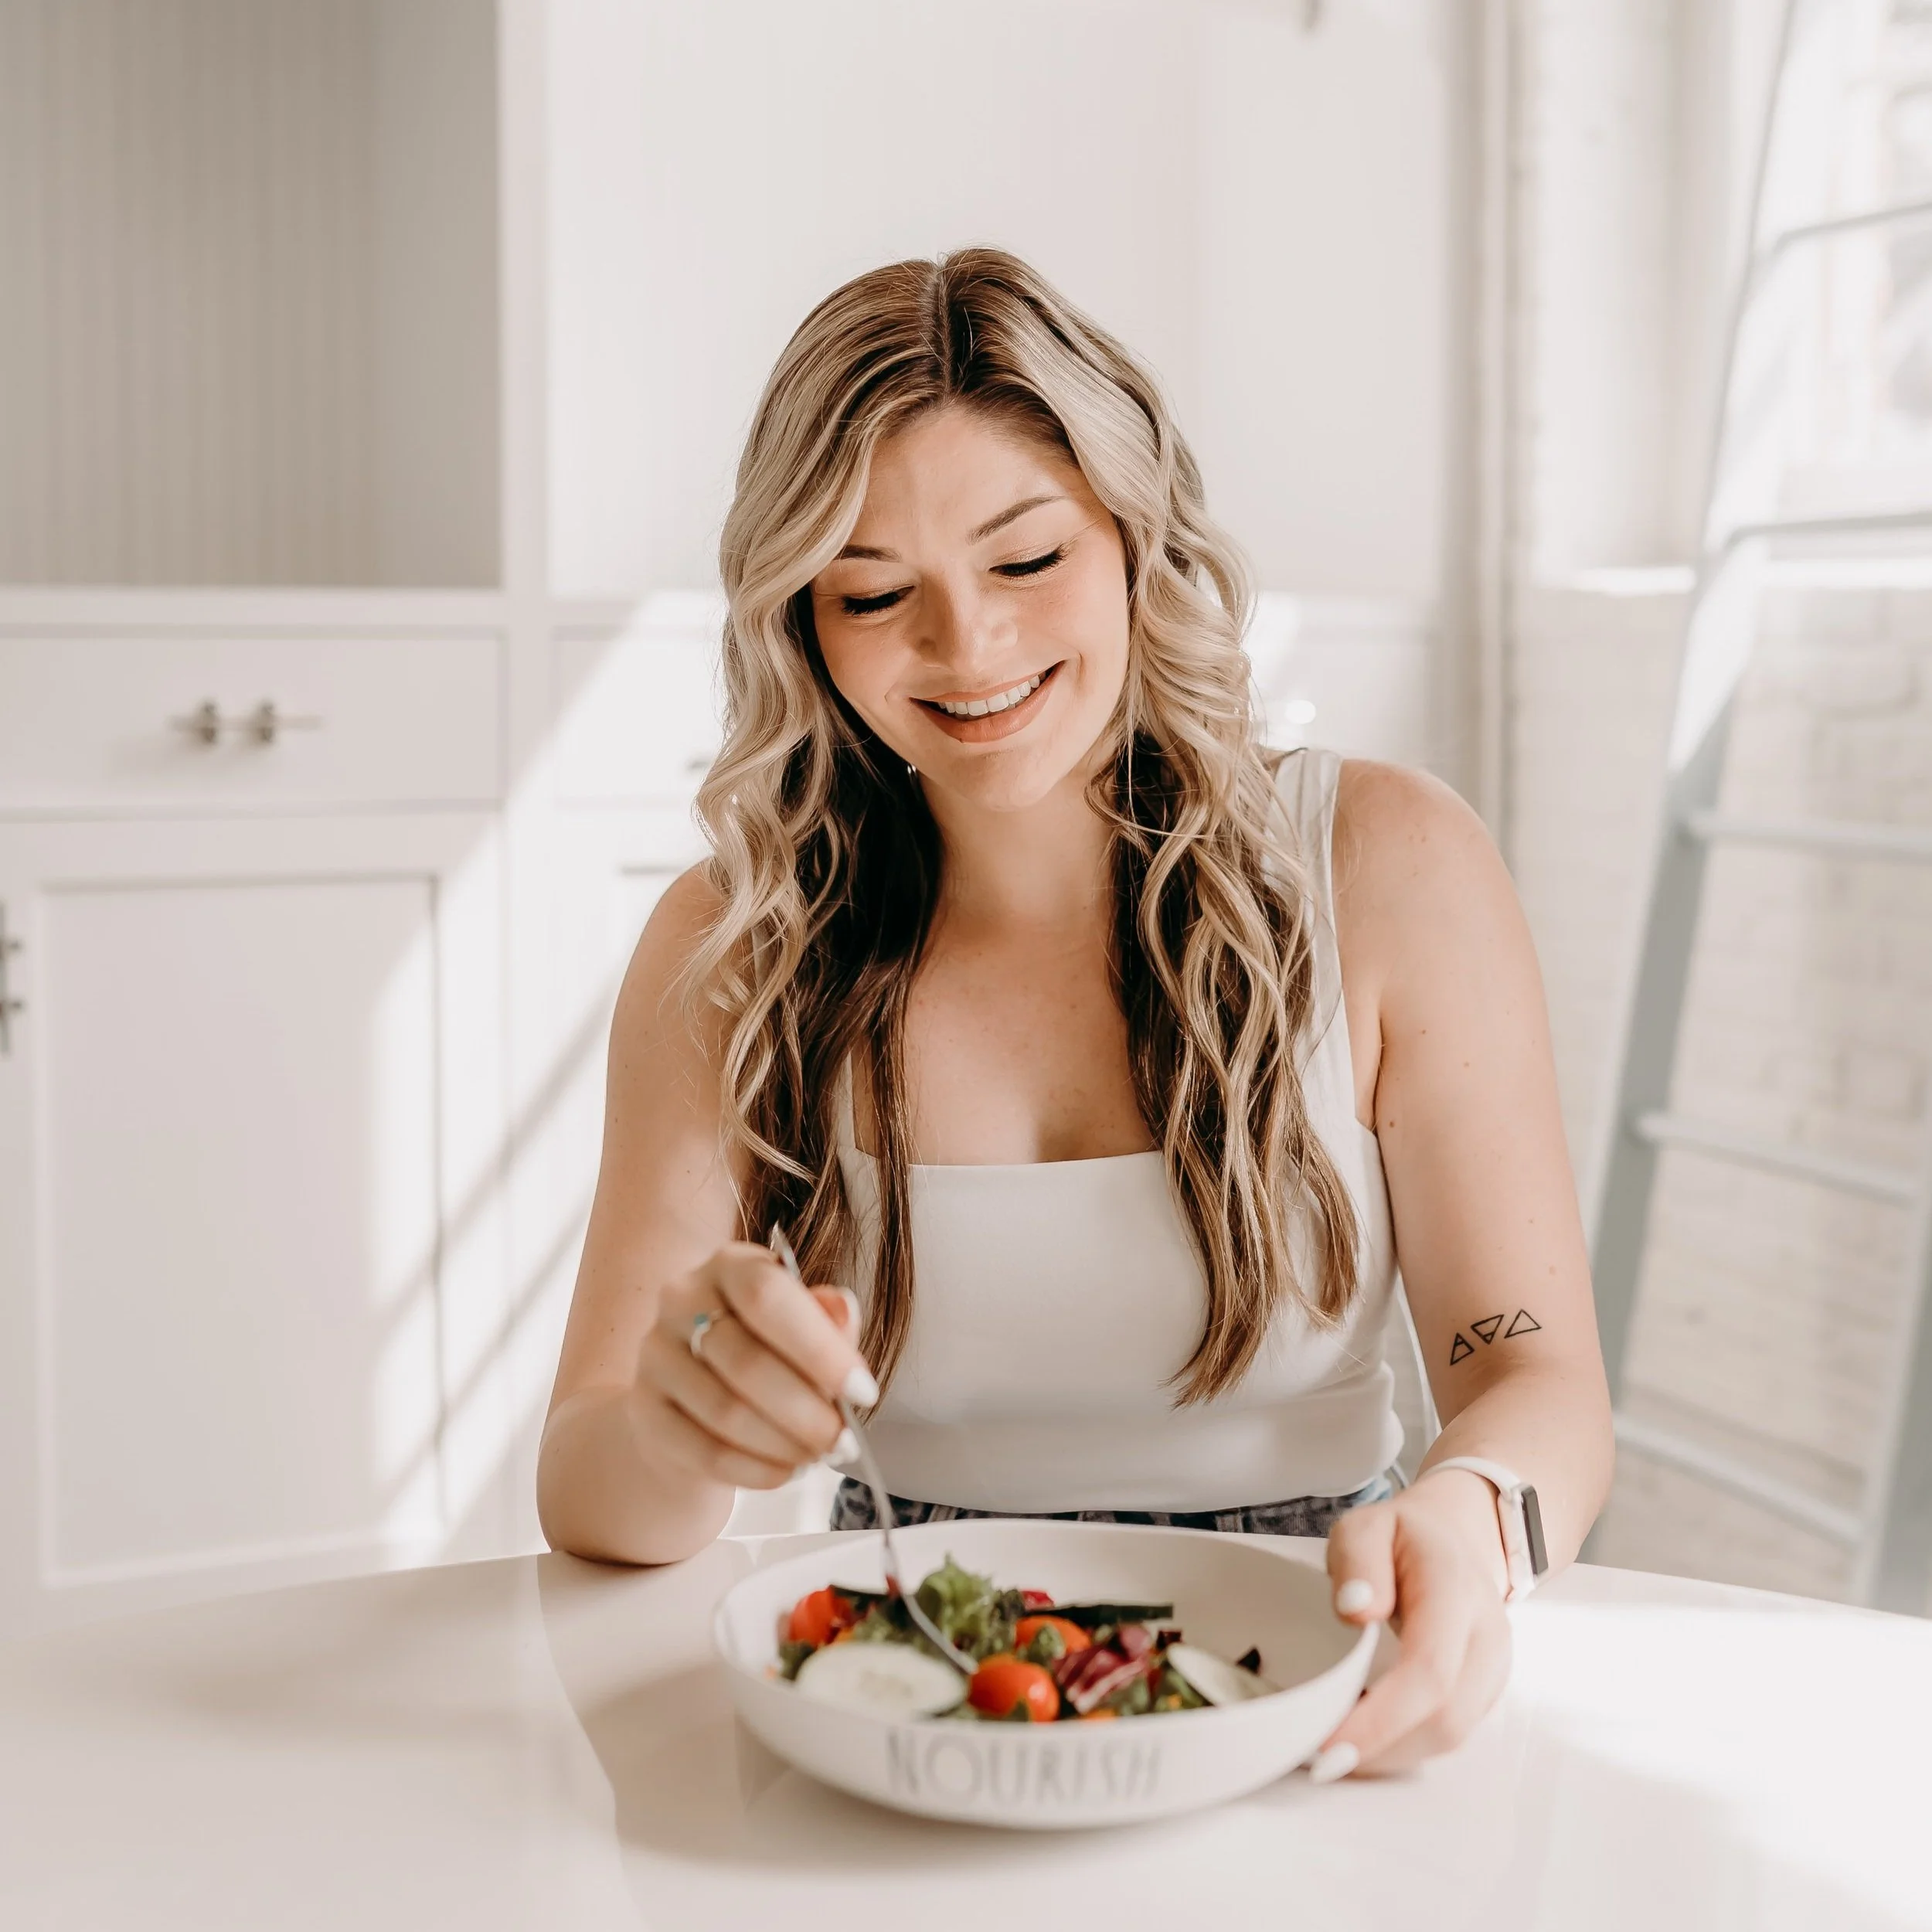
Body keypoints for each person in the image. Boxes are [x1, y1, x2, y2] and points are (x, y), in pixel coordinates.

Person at [538, 248, 1614, 1779]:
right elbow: (586, 1479)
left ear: (1133, 536)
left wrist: (1467, 1513)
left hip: (1315, 1661)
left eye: (1025, 558)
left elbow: (1533, 1375)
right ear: (801, 621)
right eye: (871, 590)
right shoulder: (731, 941)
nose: (965, 646)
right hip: (905, 1687)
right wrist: (673, 1425)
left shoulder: (1386, 865)